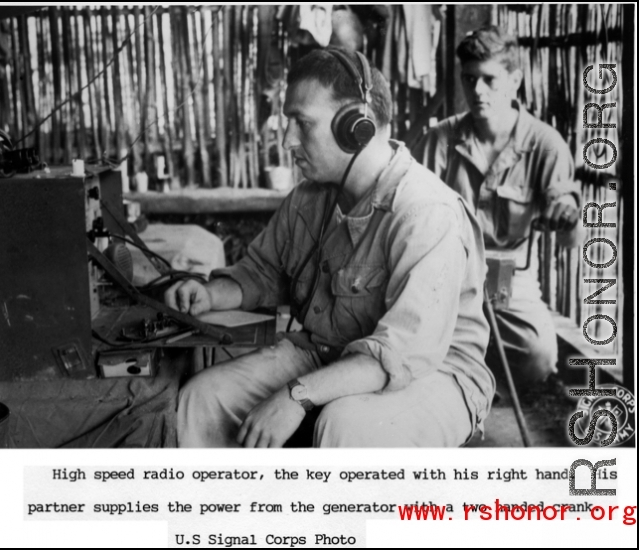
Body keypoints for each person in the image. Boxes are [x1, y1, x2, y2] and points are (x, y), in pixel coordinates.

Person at [166, 47, 495, 448]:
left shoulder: (425, 213)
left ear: (356, 125)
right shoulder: (309, 199)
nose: (287, 140)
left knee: (346, 425)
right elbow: (261, 273)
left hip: (434, 372)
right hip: (328, 352)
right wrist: (208, 293)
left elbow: (399, 355)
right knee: (203, 397)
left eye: (302, 123)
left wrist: (296, 395)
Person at [411, 26, 581, 388]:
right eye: (469, 79)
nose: (477, 91)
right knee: (410, 348)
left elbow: (571, 236)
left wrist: (567, 216)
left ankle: (484, 378)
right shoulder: (438, 141)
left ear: (515, 80)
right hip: (444, 273)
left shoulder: (545, 144)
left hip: (509, 277)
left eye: (489, 79)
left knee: (539, 357)